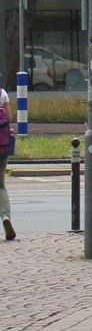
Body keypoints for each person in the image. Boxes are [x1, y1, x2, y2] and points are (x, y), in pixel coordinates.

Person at [0, 85, 13, 240]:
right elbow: (9, 119)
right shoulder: (2, 93)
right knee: (0, 185)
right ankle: (5, 217)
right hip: (2, 147)